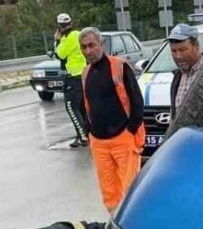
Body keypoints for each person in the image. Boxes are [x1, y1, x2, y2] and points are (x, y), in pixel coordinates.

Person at [79, 27, 146, 213]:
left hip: (123, 138)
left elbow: (137, 100)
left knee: (131, 191)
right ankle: (114, 222)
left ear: (101, 44)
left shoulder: (119, 66)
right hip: (99, 142)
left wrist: (131, 129)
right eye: (83, 47)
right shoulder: (85, 73)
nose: (88, 51)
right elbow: (84, 104)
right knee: (109, 193)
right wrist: (89, 132)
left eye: (91, 45)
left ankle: (133, 224)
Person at [54, 13, 87, 148]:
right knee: (82, 108)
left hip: (73, 77)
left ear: (59, 27)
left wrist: (57, 40)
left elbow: (60, 54)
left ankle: (83, 137)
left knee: (71, 108)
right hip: (83, 75)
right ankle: (86, 134)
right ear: (71, 23)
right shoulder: (79, 34)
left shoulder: (68, 38)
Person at [167, 23, 203, 121]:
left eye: (183, 50)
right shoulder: (177, 76)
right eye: (174, 51)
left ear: (196, 46)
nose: (178, 56)